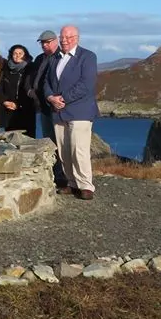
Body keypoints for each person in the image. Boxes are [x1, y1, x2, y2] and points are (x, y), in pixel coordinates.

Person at [43, 25, 100, 200]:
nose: (65, 40)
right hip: (58, 111)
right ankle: (71, 182)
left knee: (79, 149)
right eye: (62, 37)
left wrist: (62, 98)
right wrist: (51, 97)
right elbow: (47, 81)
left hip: (80, 111)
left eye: (69, 37)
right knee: (64, 150)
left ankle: (85, 185)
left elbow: (86, 84)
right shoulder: (55, 58)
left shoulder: (87, 57)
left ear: (77, 38)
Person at [28, 30, 67, 187]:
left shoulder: (61, 57)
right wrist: (30, 90)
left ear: (56, 41)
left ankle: (63, 177)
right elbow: (32, 78)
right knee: (48, 142)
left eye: (48, 42)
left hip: (56, 107)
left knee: (60, 143)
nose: (45, 45)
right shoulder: (39, 59)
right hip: (43, 107)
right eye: (43, 42)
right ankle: (53, 174)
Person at [0, 44, 37, 138]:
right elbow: (0, 88)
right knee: (10, 141)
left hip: (26, 110)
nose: (17, 55)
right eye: (15, 53)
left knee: (27, 141)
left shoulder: (31, 68)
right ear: (11, 55)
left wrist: (18, 104)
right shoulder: (6, 69)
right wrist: (4, 101)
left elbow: (32, 90)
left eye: (20, 53)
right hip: (9, 110)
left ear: (25, 55)